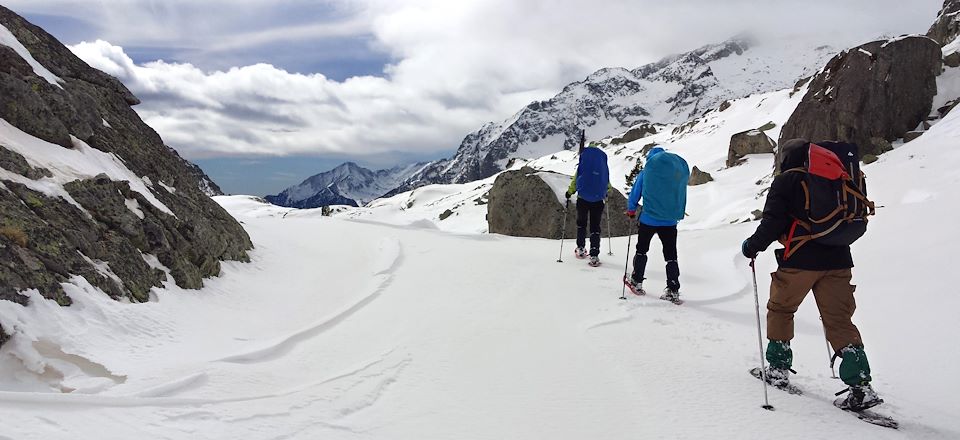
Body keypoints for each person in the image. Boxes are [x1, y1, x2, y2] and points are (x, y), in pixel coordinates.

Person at [741, 138, 881, 411]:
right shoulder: (833, 178)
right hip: (839, 257)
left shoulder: (786, 181)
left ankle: (778, 369)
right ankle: (861, 386)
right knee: (839, 320)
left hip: (800, 260)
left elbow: (773, 223)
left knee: (781, 308)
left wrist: (751, 246)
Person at [623, 147, 689, 303]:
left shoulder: (647, 172)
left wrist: (631, 210)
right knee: (670, 255)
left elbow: (635, 192)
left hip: (649, 218)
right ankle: (673, 289)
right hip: (670, 221)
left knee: (642, 250)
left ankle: (637, 281)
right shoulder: (674, 173)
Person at [565, 141, 610, 267]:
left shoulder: (584, 164)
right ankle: (594, 255)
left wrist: (569, 192)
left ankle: (580, 248)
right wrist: (605, 192)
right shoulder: (601, 166)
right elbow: (607, 184)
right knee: (595, 227)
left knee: (582, 224)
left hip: (583, 198)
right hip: (597, 200)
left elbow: (576, 180)